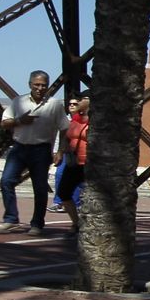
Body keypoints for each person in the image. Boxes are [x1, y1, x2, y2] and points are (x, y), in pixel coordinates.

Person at [0, 70, 70, 236]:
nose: (40, 88)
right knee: (6, 181)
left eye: (43, 85)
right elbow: (4, 123)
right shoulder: (18, 102)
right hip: (19, 147)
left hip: (41, 149)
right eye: (36, 84)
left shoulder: (54, 104)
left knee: (40, 187)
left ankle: (37, 224)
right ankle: (11, 219)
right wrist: (20, 120)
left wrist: (60, 151)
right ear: (30, 84)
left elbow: (64, 128)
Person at [54, 96, 90, 234]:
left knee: (90, 196)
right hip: (73, 162)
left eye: (81, 100)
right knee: (63, 192)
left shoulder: (97, 121)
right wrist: (60, 152)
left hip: (88, 164)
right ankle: (76, 222)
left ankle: (90, 223)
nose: (77, 103)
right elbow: (67, 137)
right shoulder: (75, 119)